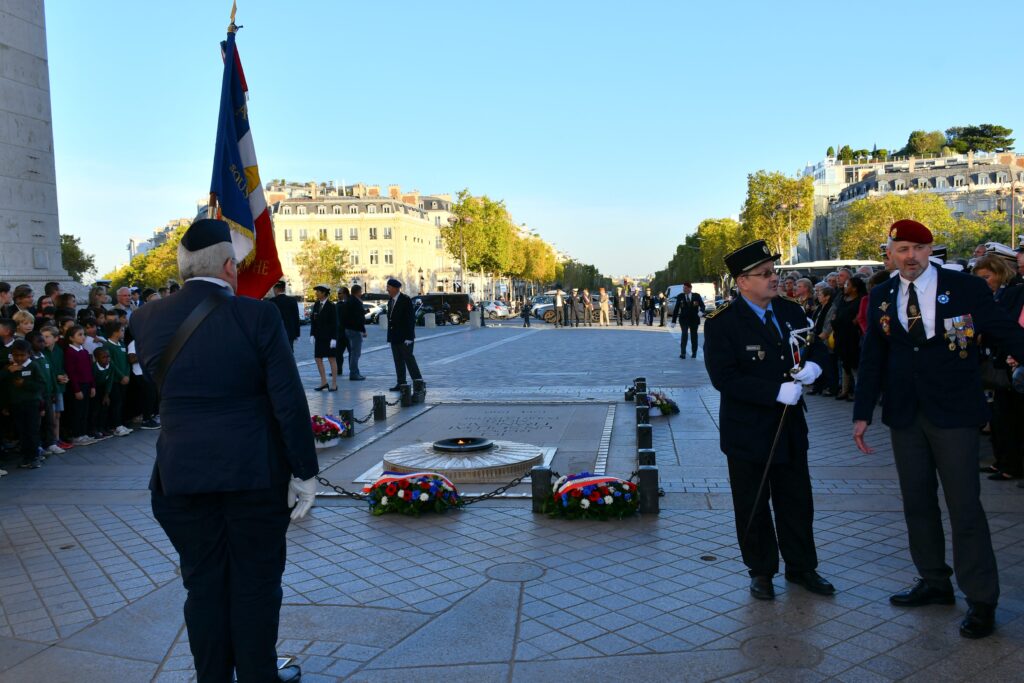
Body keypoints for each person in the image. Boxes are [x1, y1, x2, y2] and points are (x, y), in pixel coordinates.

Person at [129, 218, 317, 683]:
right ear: (231, 267)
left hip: (180, 476)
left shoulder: (145, 317)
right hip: (253, 474)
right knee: (255, 586)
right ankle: (258, 676)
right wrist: (305, 472)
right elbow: (287, 400)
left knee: (203, 586)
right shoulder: (257, 315)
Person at [853, 219, 1024, 640]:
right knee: (917, 502)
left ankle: (982, 600)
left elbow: (1005, 332)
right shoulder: (881, 294)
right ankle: (934, 580)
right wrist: (861, 414)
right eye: (902, 248)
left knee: (965, 506)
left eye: (918, 248)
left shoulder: (965, 287)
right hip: (905, 415)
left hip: (955, 414)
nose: (910, 256)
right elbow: (872, 355)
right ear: (889, 253)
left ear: (931, 251)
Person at [703, 239, 834, 601]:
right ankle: (761, 570)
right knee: (753, 503)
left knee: (797, 500)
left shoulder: (791, 312)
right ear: (742, 282)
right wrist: (773, 392)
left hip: (790, 427)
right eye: (764, 274)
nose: (774, 279)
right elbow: (724, 377)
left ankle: (802, 567)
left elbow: (816, 345)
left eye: (773, 272)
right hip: (748, 430)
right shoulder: (722, 324)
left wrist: (815, 366)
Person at [972, 254, 1024, 481]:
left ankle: (1011, 464)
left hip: (1009, 364)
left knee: (1010, 419)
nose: (984, 282)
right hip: (996, 365)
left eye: (987, 276)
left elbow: (1008, 327)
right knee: (999, 418)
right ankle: (1003, 461)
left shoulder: (1012, 293)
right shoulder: (988, 295)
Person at [2, 339, 46, 469]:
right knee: (22, 432)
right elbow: (5, 387)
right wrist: (6, 405)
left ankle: (34, 456)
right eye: (16, 355)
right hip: (16, 404)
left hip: (31, 403)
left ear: (29, 354)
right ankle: (26, 457)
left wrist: (25, 384)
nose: (19, 358)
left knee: (32, 430)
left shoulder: (34, 366)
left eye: (22, 355)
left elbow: (42, 385)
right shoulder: (10, 368)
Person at [385, 278, 422, 391]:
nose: (387, 290)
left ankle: (418, 382)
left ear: (396, 288)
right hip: (395, 337)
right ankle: (401, 383)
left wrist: (409, 337)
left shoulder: (405, 300)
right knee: (398, 361)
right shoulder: (390, 301)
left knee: (409, 360)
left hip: (405, 337)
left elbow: (410, 320)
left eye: (389, 287)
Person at [308, 285, 338, 391]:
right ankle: (324, 382)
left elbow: (335, 323)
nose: (316, 293)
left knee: (331, 359)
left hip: (329, 338)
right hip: (319, 338)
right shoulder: (316, 305)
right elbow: (313, 321)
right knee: (318, 359)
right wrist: (312, 334)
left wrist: (334, 338)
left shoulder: (331, 306)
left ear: (324, 293)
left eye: (318, 292)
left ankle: (334, 383)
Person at [671, 283, 706, 359]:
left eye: (686, 288)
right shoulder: (680, 296)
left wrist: (701, 311)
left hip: (694, 319)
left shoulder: (696, 296)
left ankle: (694, 352)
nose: (684, 289)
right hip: (684, 319)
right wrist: (673, 321)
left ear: (690, 288)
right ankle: (683, 353)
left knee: (694, 336)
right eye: (683, 288)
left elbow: (702, 305)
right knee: (684, 335)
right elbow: (676, 309)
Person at [341, 284, 367, 380]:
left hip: (348, 329)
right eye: (360, 292)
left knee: (354, 352)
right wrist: (363, 330)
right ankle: (354, 373)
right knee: (356, 353)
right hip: (355, 330)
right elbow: (359, 317)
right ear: (358, 292)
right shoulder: (356, 302)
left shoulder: (348, 301)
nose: (361, 293)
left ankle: (355, 372)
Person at [268, 281, 300, 351]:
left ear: (276, 289)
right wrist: (297, 334)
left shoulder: (271, 302)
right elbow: (296, 318)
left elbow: (268, 320)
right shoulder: (292, 300)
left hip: (276, 334)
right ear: (284, 288)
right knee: (289, 352)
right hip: (290, 333)